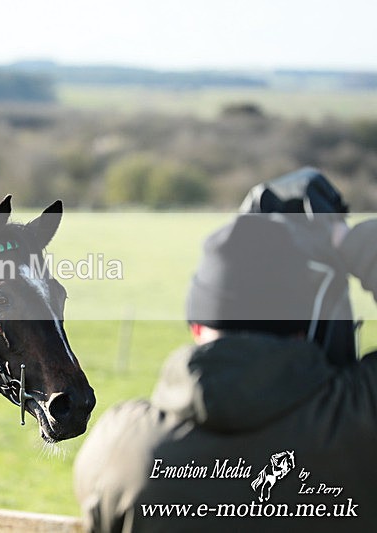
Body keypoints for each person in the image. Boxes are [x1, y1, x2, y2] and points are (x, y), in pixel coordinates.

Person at [73, 181, 377, 531]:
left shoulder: (119, 444)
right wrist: (346, 240)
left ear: (196, 325)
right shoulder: (360, 416)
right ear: (304, 327)